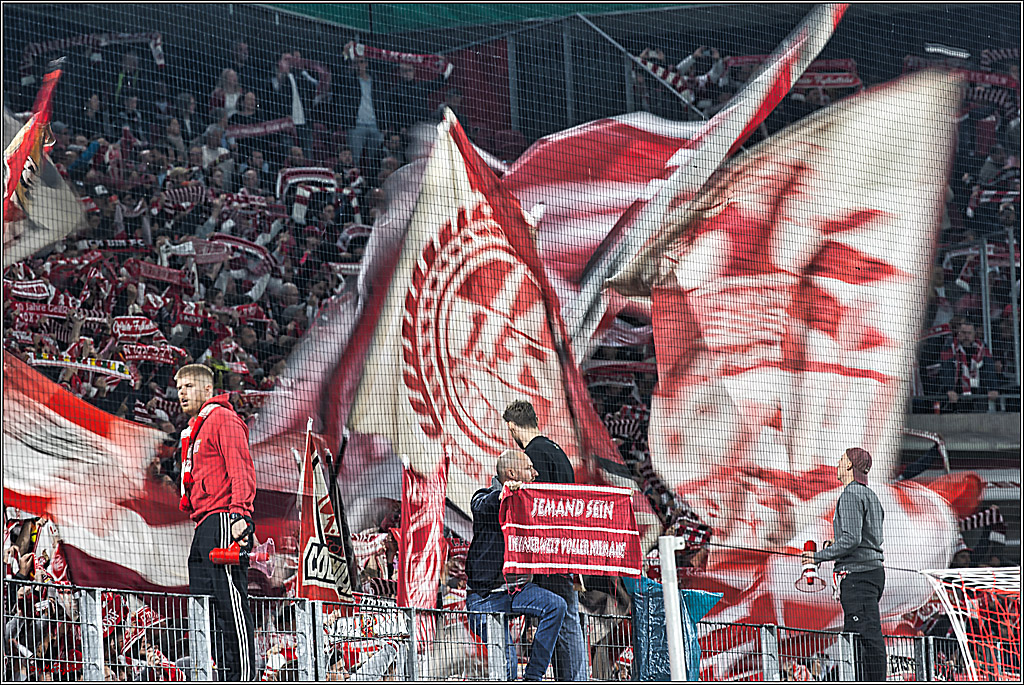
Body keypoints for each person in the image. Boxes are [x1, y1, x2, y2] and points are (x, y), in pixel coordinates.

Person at [175, 363, 256, 681]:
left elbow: (241, 466)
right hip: (203, 524)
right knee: (205, 607)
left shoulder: (222, 418)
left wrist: (240, 513)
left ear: (208, 389)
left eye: (189, 386)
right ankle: (220, 673)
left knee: (229, 602)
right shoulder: (195, 429)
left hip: (224, 518)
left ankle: (242, 676)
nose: (181, 393)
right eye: (179, 387)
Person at [465, 449, 567, 681]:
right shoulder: (485, 497)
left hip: (518, 592)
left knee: (556, 606)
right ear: (511, 473)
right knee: (507, 668)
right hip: (485, 600)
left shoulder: (531, 503)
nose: (536, 473)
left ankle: (533, 678)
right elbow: (482, 505)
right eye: (529, 468)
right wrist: (503, 494)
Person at [503, 400, 586, 680]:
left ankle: (573, 679)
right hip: (566, 546)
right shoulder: (557, 451)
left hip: (549, 551)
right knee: (568, 616)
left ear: (512, 426)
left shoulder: (534, 454)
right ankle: (575, 677)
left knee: (564, 619)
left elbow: (534, 505)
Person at [803, 447, 885, 682]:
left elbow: (852, 540)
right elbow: (866, 539)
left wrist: (818, 556)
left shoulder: (850, 494)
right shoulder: (871, 496)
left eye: (841, 460)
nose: (837, 465)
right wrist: (837, 544)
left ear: (850, 465)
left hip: (858, 576)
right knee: (863, 635)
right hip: (871, 574)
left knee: (863, 637)